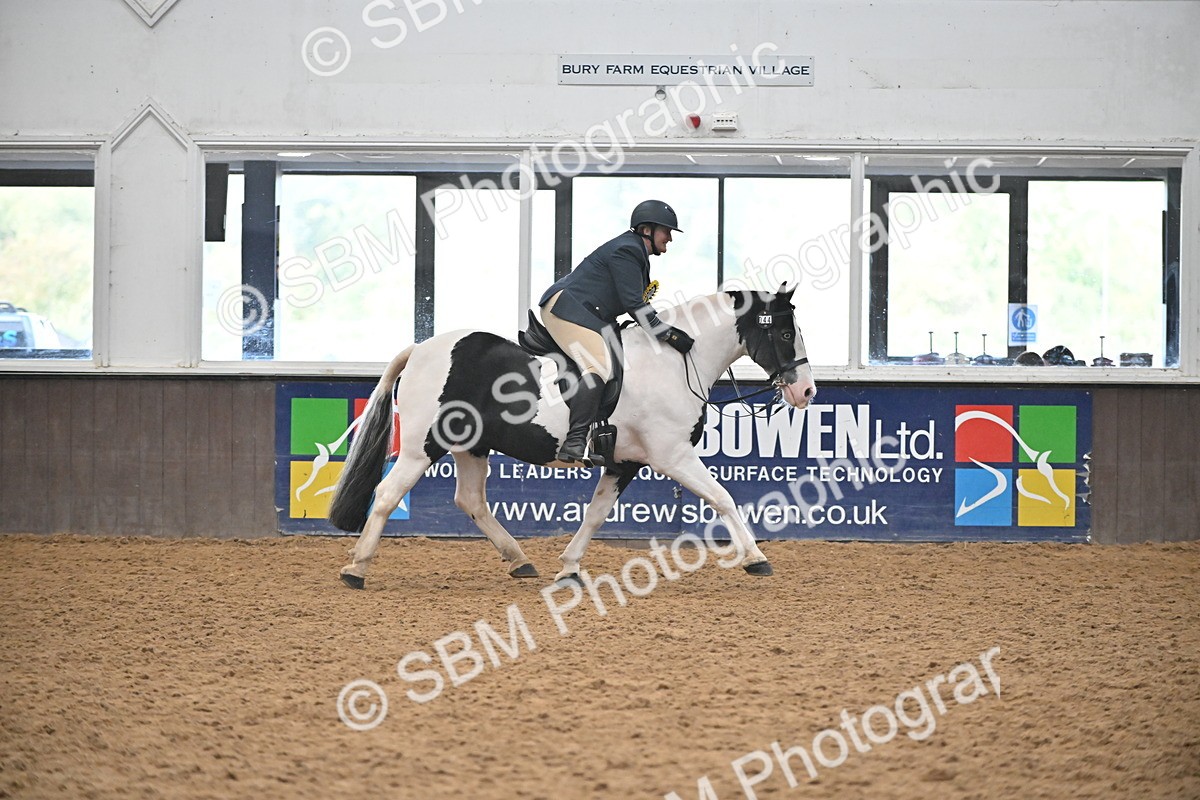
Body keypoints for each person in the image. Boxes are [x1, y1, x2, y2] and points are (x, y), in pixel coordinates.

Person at [537, 199, 695, 463]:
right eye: (666, 231)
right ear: (647, 229)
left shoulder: (636, 253)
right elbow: (635, 305)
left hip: (592, 315)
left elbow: (637, 303)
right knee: (599, 365)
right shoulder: (627, 250)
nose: (669, 237)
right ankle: (575, 440)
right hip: (566, 309)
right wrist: (669, 334)